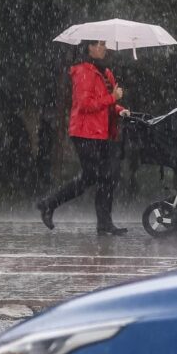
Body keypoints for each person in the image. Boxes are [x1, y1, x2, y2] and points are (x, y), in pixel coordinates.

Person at [36, 40, 130, 235]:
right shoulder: (82, 72)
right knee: (93, 175)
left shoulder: (106, 73)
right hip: (84, 133)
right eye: (99, 44)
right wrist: (113, 98)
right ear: (89, 48)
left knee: (107, 178)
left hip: (101, 133)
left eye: (104, 44)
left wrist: (120, 109)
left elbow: (107, 105)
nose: (104, 48)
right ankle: (48, 204)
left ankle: (104, 223)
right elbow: (85, 104)